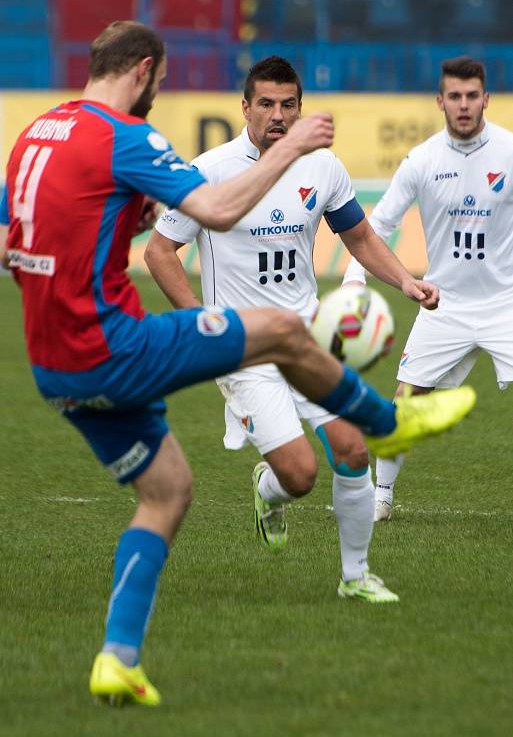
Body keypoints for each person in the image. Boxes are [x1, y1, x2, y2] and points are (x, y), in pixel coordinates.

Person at [0, 22, 474, 708]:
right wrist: (295, 149)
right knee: (283, 330)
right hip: (110, 346)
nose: (155, 99)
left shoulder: (37, 136)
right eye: (157, 86)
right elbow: (215, 211)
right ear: (141, 70)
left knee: (167, 493)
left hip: (53, 368)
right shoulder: (126, 136)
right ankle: (390, 422)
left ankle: (117, 658)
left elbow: (18, 253)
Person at [145, 57, 461, 604]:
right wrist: (204, 322)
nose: (278, 115)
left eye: (288, 104)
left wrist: (407, 283)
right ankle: (269, 493)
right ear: (244, 107)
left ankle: (356, 577)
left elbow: (358, 237)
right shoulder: (210, 171)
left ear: (300, 108)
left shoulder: (322, 167)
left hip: (307, 339)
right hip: (242, 346)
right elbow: (159, 251)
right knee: (300, 475)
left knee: (354, 450)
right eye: (265, 104)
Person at [343, 54, 512, 522]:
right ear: (440, 100)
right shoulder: (422, 161)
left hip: (505, 303)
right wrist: (355, 282)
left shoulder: (509, 151)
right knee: (405, 400)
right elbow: (376, 224)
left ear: (486, 99)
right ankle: (382, 498)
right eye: (454, 96)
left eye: (472, 96)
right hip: (445, 304)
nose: (463, 105)